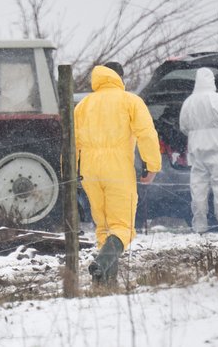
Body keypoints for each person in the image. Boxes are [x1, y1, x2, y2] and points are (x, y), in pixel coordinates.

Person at [74, 62, 161, 286]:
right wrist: (152, 165)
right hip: (117, 169)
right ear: (119, 77)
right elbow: (146, 134)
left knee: (103, 227)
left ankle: (105, 283)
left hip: (89, 171)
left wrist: (71, 171)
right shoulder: (130, 101)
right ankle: (102, 263)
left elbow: (72, 143)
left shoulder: (83, 105)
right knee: (123, 227)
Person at [179, 68, 218, 233]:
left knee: (198, 189)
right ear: (212, 80)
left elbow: (183, 126)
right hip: (217, 147)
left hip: (196, 148)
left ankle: (199, 226)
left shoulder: (189, 102)